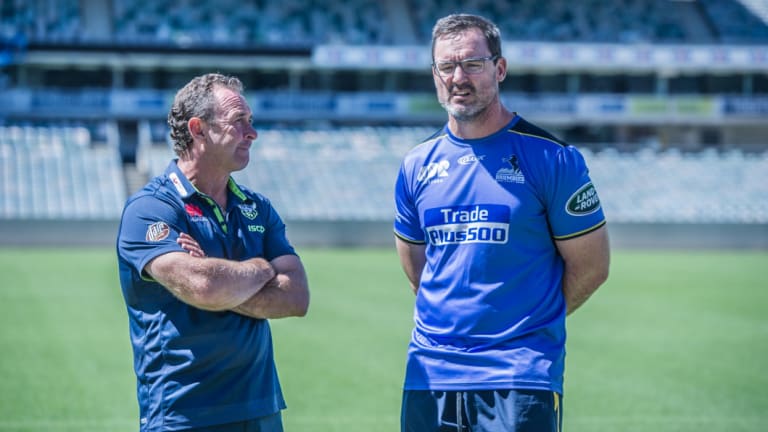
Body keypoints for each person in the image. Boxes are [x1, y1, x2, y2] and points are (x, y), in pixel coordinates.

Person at [393, 14, 610, 432]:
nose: (458, 77)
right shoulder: (415, 165)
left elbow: (592, 266)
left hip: (519, 374)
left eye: (473, 64)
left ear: (500, 68)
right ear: (434, 74)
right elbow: (417, 271)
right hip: (430, 373)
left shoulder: (553, 158)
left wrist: (528, 322)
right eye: (446, 66)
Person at [116, 73, 309, 432]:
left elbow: (296, 297)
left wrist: (220, 281)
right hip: (184, 413)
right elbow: (204, 287)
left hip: (261, 409)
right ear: (198, 129)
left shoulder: (256, 206)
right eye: (239, 122)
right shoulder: (150, 209)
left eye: (251, 122)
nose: (252, 133)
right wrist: (262, 269)